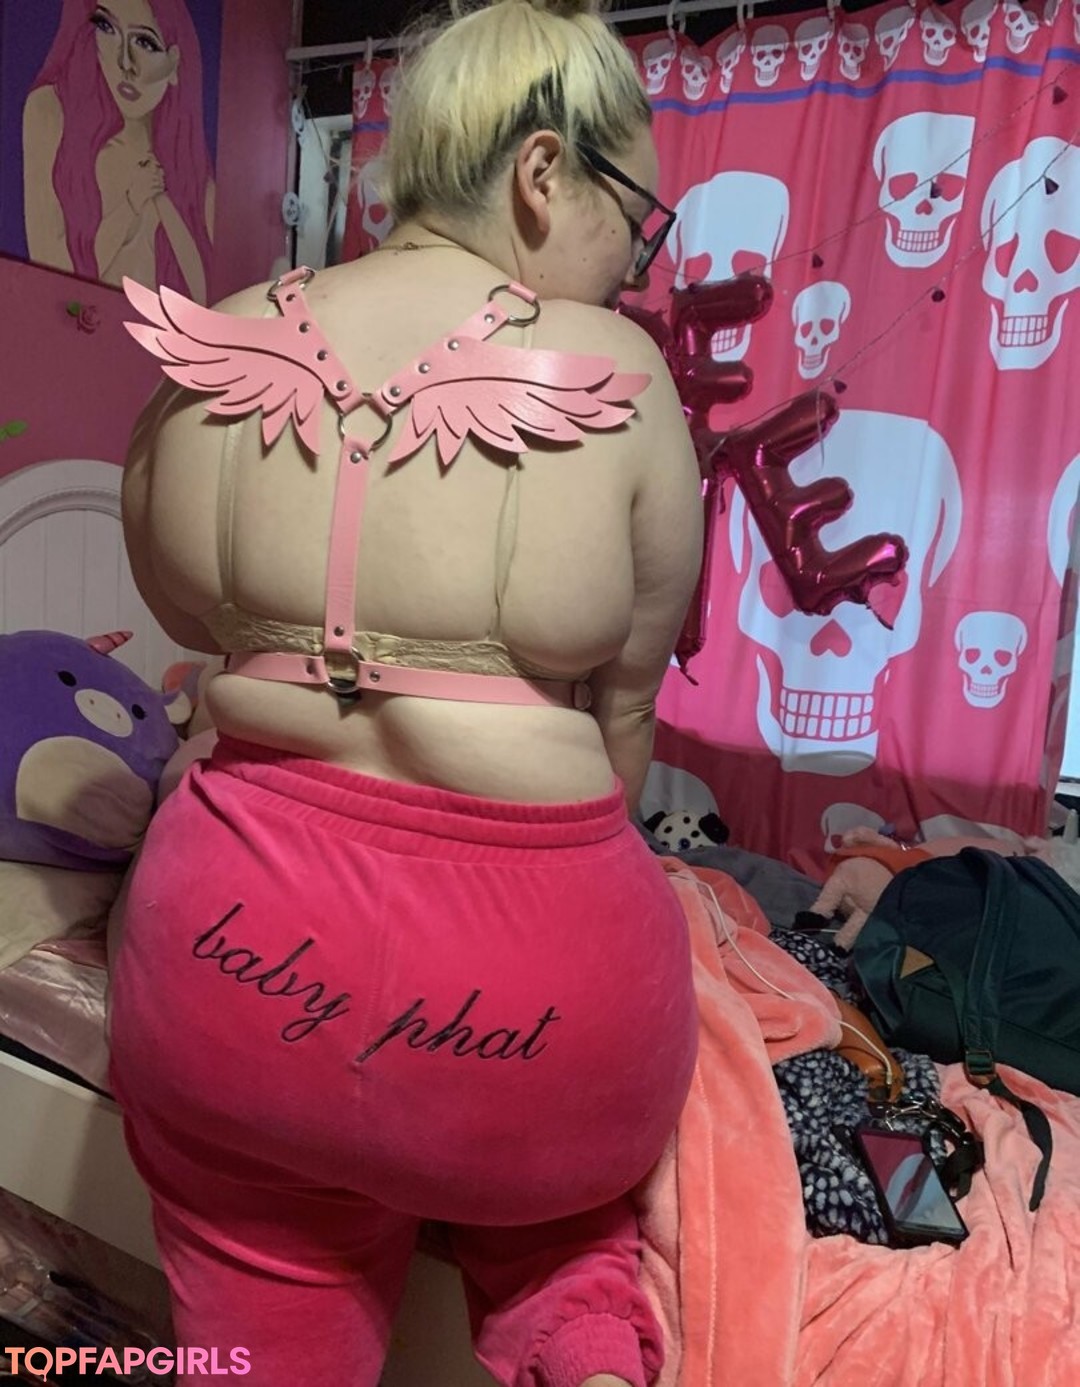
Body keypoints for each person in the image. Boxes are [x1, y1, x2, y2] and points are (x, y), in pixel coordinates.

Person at [108, 1, 703, 1383]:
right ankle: (572, 1323)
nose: (635, 262)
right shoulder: (615, 372)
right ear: (543, 174)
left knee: (258, 1312)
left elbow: (193, 630)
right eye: (637, 217)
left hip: (231, 981)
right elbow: (623, 731)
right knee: (559, 1223)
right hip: (534, 1029)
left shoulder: (219, 342)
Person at [22, 0, 214, 301]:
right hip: (71, 324)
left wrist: (159, 199)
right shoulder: (49, 112)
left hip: (148, 329)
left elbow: (203, 298)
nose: (124, 61)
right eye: (106, 27)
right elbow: (52, 271)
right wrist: (131, 204)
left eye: (145, 42)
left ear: (175, 63)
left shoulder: (190, 170)